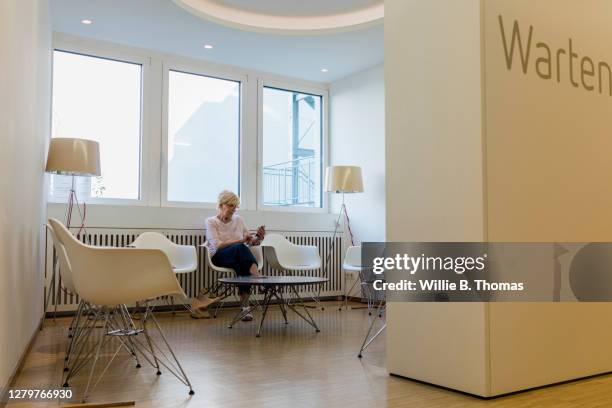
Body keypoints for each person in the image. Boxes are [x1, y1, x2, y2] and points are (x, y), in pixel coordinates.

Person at [192, 190, 264, 321]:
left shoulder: (239, 219)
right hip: (220, 256)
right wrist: (240, 241)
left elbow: (249, 240)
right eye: (230, 205)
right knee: (240, 248)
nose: (233, 209)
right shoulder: (211, 221)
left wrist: (258, 237)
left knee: (242, 266)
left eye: (235, 206)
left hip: (238, 256)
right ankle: (257, 278)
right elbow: (218, 245)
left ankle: (245, 309)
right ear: (221, 205)